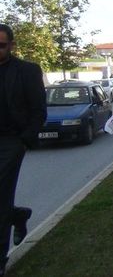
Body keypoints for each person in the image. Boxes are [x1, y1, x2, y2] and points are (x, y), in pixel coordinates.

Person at [0, 24, 47, 275]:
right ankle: (18, 215)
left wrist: (24, 139)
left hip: (11, 141)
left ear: (12, 45)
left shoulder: (27, 71)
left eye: (2, 45)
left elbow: (39, 109)